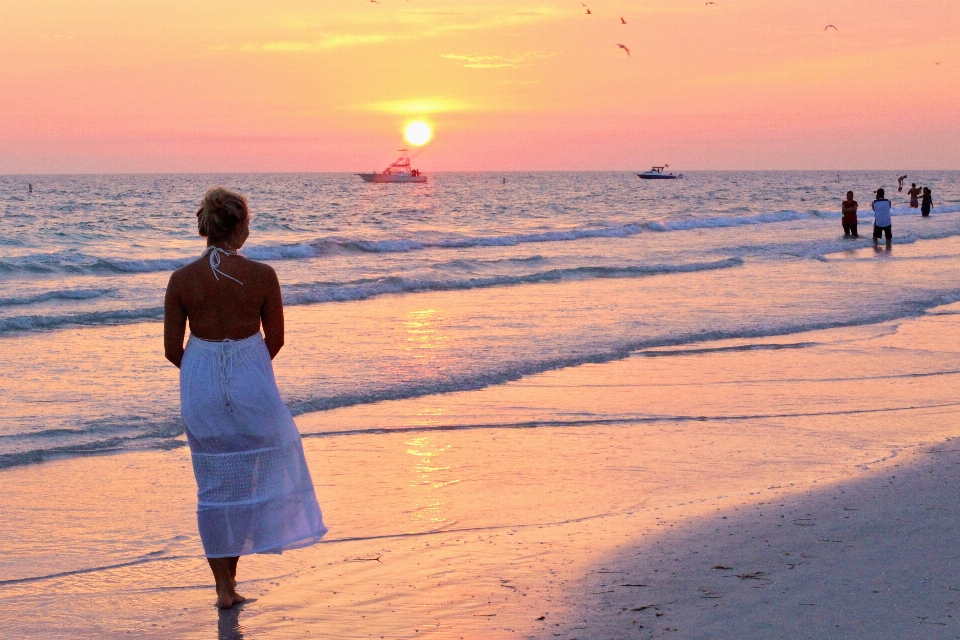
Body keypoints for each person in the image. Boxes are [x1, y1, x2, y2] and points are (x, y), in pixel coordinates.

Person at [164, 187, 327, 609]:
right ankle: (231, 581)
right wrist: (243, 374)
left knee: (214, 486)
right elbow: (276, 340)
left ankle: (223, 587)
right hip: (251, 384)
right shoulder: (263, 275)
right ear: (238, 226)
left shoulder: (181, 280)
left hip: (199, 385)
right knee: (254, 474)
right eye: (247, 222)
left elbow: (171, 349)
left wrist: (205, 378)